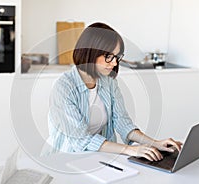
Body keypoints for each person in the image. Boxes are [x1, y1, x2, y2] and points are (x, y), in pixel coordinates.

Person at [45, 22, 182, 161]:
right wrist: (130, 150)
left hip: (96, 158)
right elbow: (81, 140)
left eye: (116, 57)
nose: (115, 63)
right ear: (91, 52)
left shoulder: (109, 82)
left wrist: (155, 143)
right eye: (109, 56)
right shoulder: (63, 88)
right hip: (64, 159)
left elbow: (123, 123)